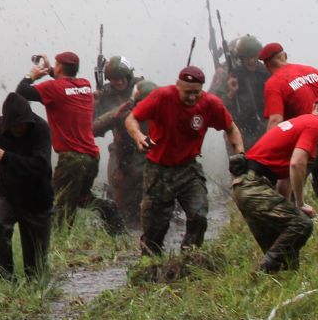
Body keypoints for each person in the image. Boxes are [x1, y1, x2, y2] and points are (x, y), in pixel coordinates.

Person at [125, 65, 245, 256]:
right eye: (187, 92)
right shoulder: (162, 96)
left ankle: (189, 258)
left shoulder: (210, 104)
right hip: (159, 170)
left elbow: (231, 128)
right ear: (177, 86)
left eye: (196, 92)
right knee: (155, 226)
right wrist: (139, 137)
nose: (192, 97)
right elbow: (131, 119)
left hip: (188, 169)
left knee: (199, 215)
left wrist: (239, 154)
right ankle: (150, 263)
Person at [230, 92, 318, 271]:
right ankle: (262, 271)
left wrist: (289, 206)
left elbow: (284, 180)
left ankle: (272, 279)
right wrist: (300, 203)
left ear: (315, 106)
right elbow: (297, 164)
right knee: (301, 223)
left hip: (245, 187)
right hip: (254, 186)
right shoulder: (315, 124)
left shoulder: (298, 123)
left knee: (285, 257)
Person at [19, 51, 124, 233]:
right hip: (92, 156)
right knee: (81, 198)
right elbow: (64, 81)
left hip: (72, 159)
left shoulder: (54, 89)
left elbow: (21, 92)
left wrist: (32, 75)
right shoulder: (84, 85)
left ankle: (60, 243)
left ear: (59, 67)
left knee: (60, 205)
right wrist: (50, 68)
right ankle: (107, 208)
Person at [0, 92, 52, 281]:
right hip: (7, 192)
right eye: (14, 126)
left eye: (22, 125)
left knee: (36, 269)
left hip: (37, 198)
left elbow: (40, 166)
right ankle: (6, 282)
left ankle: (35, 290)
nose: (19, 129)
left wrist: (6, 157)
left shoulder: (41, 128)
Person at [259, 43, 318, 221]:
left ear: (266, 64)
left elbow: (275, 120)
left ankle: (287, 223)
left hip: (309, 139)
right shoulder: (312, 71)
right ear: (285, 55)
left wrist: (268, 152)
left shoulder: (274, 83)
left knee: (287, 180)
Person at [93, 58, 145, 226]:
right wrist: (95, 103)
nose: (119, 82)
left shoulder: (141, 88)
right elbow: (94, 126)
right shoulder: (106, 94)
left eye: (122, 77)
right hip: (121, 146)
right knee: (117, 186)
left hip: (144, 143)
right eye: (115, 79)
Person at [218, 35, 270, 146]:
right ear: (241, 58)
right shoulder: (231, 75)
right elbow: (216, 107)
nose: (252, 61)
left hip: (265, 127)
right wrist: (231, 93)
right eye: (248, 57)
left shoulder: (266, 72)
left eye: (254, 57)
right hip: (241, 130)